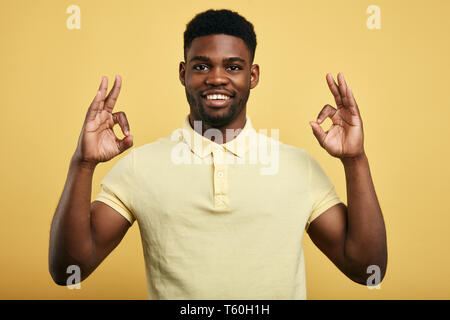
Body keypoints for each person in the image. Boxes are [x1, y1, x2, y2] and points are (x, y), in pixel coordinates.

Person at [49, 9, 387, 299]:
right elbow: (69, 271)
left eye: (233, 67)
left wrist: (354, 160)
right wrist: (83, 164)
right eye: (201, 67)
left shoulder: (300, 167)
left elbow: (367, 269)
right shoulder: (140, 167)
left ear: (252, 76)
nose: (217, 78)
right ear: (183, 74)